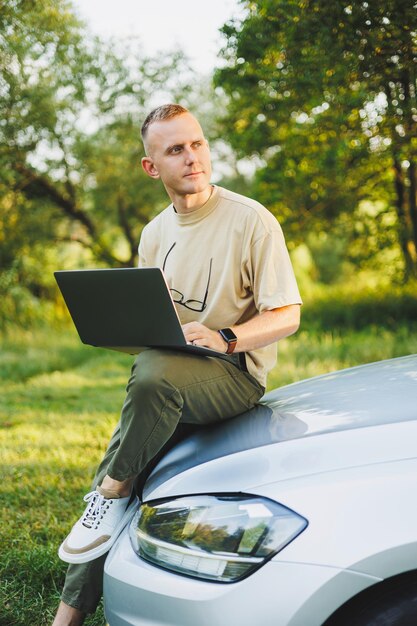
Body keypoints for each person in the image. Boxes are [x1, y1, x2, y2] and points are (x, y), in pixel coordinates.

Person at [52, 103, 302, 625]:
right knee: (120, 467)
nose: (192, 158)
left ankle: (109, 489)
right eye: (175, 150)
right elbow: (155, 329)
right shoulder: (153, 233)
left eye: (197, 144)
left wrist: (226, 336)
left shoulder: (251, 219)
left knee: (148, 388)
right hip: (168, 373)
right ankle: (68, 614)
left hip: (233, 374)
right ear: (152, 167)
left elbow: (287, 314)